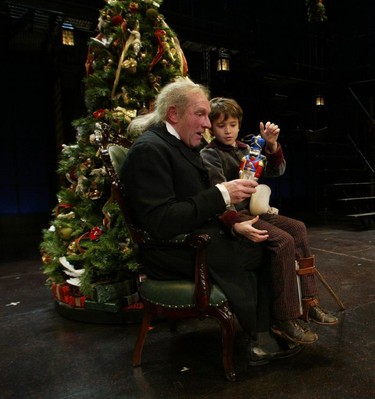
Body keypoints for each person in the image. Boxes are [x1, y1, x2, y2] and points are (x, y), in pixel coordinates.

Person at [119, 77, 304, 366]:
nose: (208, 124)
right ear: (173, 114)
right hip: (173, 250)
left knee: (269, 239)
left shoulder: (174, 143)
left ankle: (271, 328)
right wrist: (222, 194)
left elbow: (193, 200)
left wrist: (231, 222)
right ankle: (261, 336)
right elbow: (161, 222)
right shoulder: (150, 150)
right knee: (266, 248)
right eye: (201, 114)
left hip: (198, 232)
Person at [200, 97, 338, 345]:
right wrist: (234, 222)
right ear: (211, 127)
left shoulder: (247, 149)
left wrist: (272, 146)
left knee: (298, 228)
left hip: (256, 209)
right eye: (221, 126)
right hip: (237, 214)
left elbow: (277, 171)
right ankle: (284, 318)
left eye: (232, 124)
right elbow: (217, 194)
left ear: (239, 125)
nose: (228, 130)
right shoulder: (210, 154)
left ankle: (309, 302)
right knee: (284, 241)